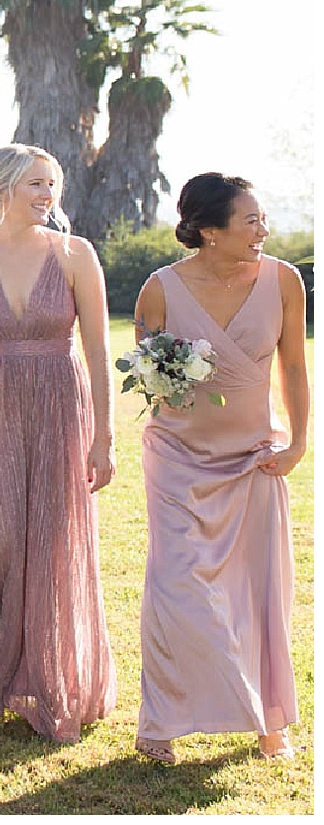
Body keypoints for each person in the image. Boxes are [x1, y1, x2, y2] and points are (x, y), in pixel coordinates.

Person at [0, 144, 116, 739]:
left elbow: (98, 352)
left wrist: (104, 435)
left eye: (52, 185)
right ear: (2, 187)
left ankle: (47, 676)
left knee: (53, 542)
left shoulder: (74, 254)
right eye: (36, 183)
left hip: (60, 404)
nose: (47, 195)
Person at [131, 173, 308, 764]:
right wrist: (168, 380)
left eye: (263, 219)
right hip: (178, 460)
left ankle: (269, 719)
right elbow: (145, 372)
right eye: (250, 220)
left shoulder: (285, 281)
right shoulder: (159, 290)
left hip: (256, 458)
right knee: (176, 586)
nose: (262, 230)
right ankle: (161, 719)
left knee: (259, 591)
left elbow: (294, 370)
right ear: (209, 231)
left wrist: (300, 442)